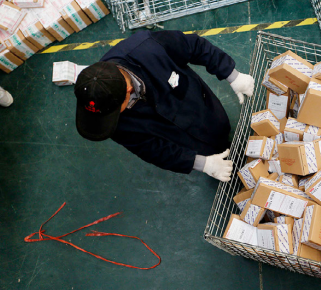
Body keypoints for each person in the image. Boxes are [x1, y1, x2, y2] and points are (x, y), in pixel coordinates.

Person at [74, 30, 254, 182]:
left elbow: (196, 46)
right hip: (179, 139)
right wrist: (201, 163)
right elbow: (153, 150)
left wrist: (232, 75)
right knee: (209, 151)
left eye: (113, 112)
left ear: (128, 90)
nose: (110, 118)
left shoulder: (149, 47)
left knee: (220, 127)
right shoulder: (104, 115)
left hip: (201, 108)